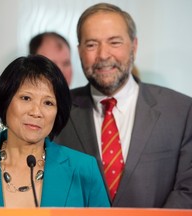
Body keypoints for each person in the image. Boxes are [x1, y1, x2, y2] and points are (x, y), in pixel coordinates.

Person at [55, 3, 192, 208]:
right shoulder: (57, 111)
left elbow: (187, 190)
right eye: (92, 44)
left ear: (134, 46)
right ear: (79, 51)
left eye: (115, 42)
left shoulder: (181, 111)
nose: (103, 55)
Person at [0, 55, 110, 207]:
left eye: (48, 103)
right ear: (6, 101)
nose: (36, 112)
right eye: (26, 98)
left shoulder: (84, 170)